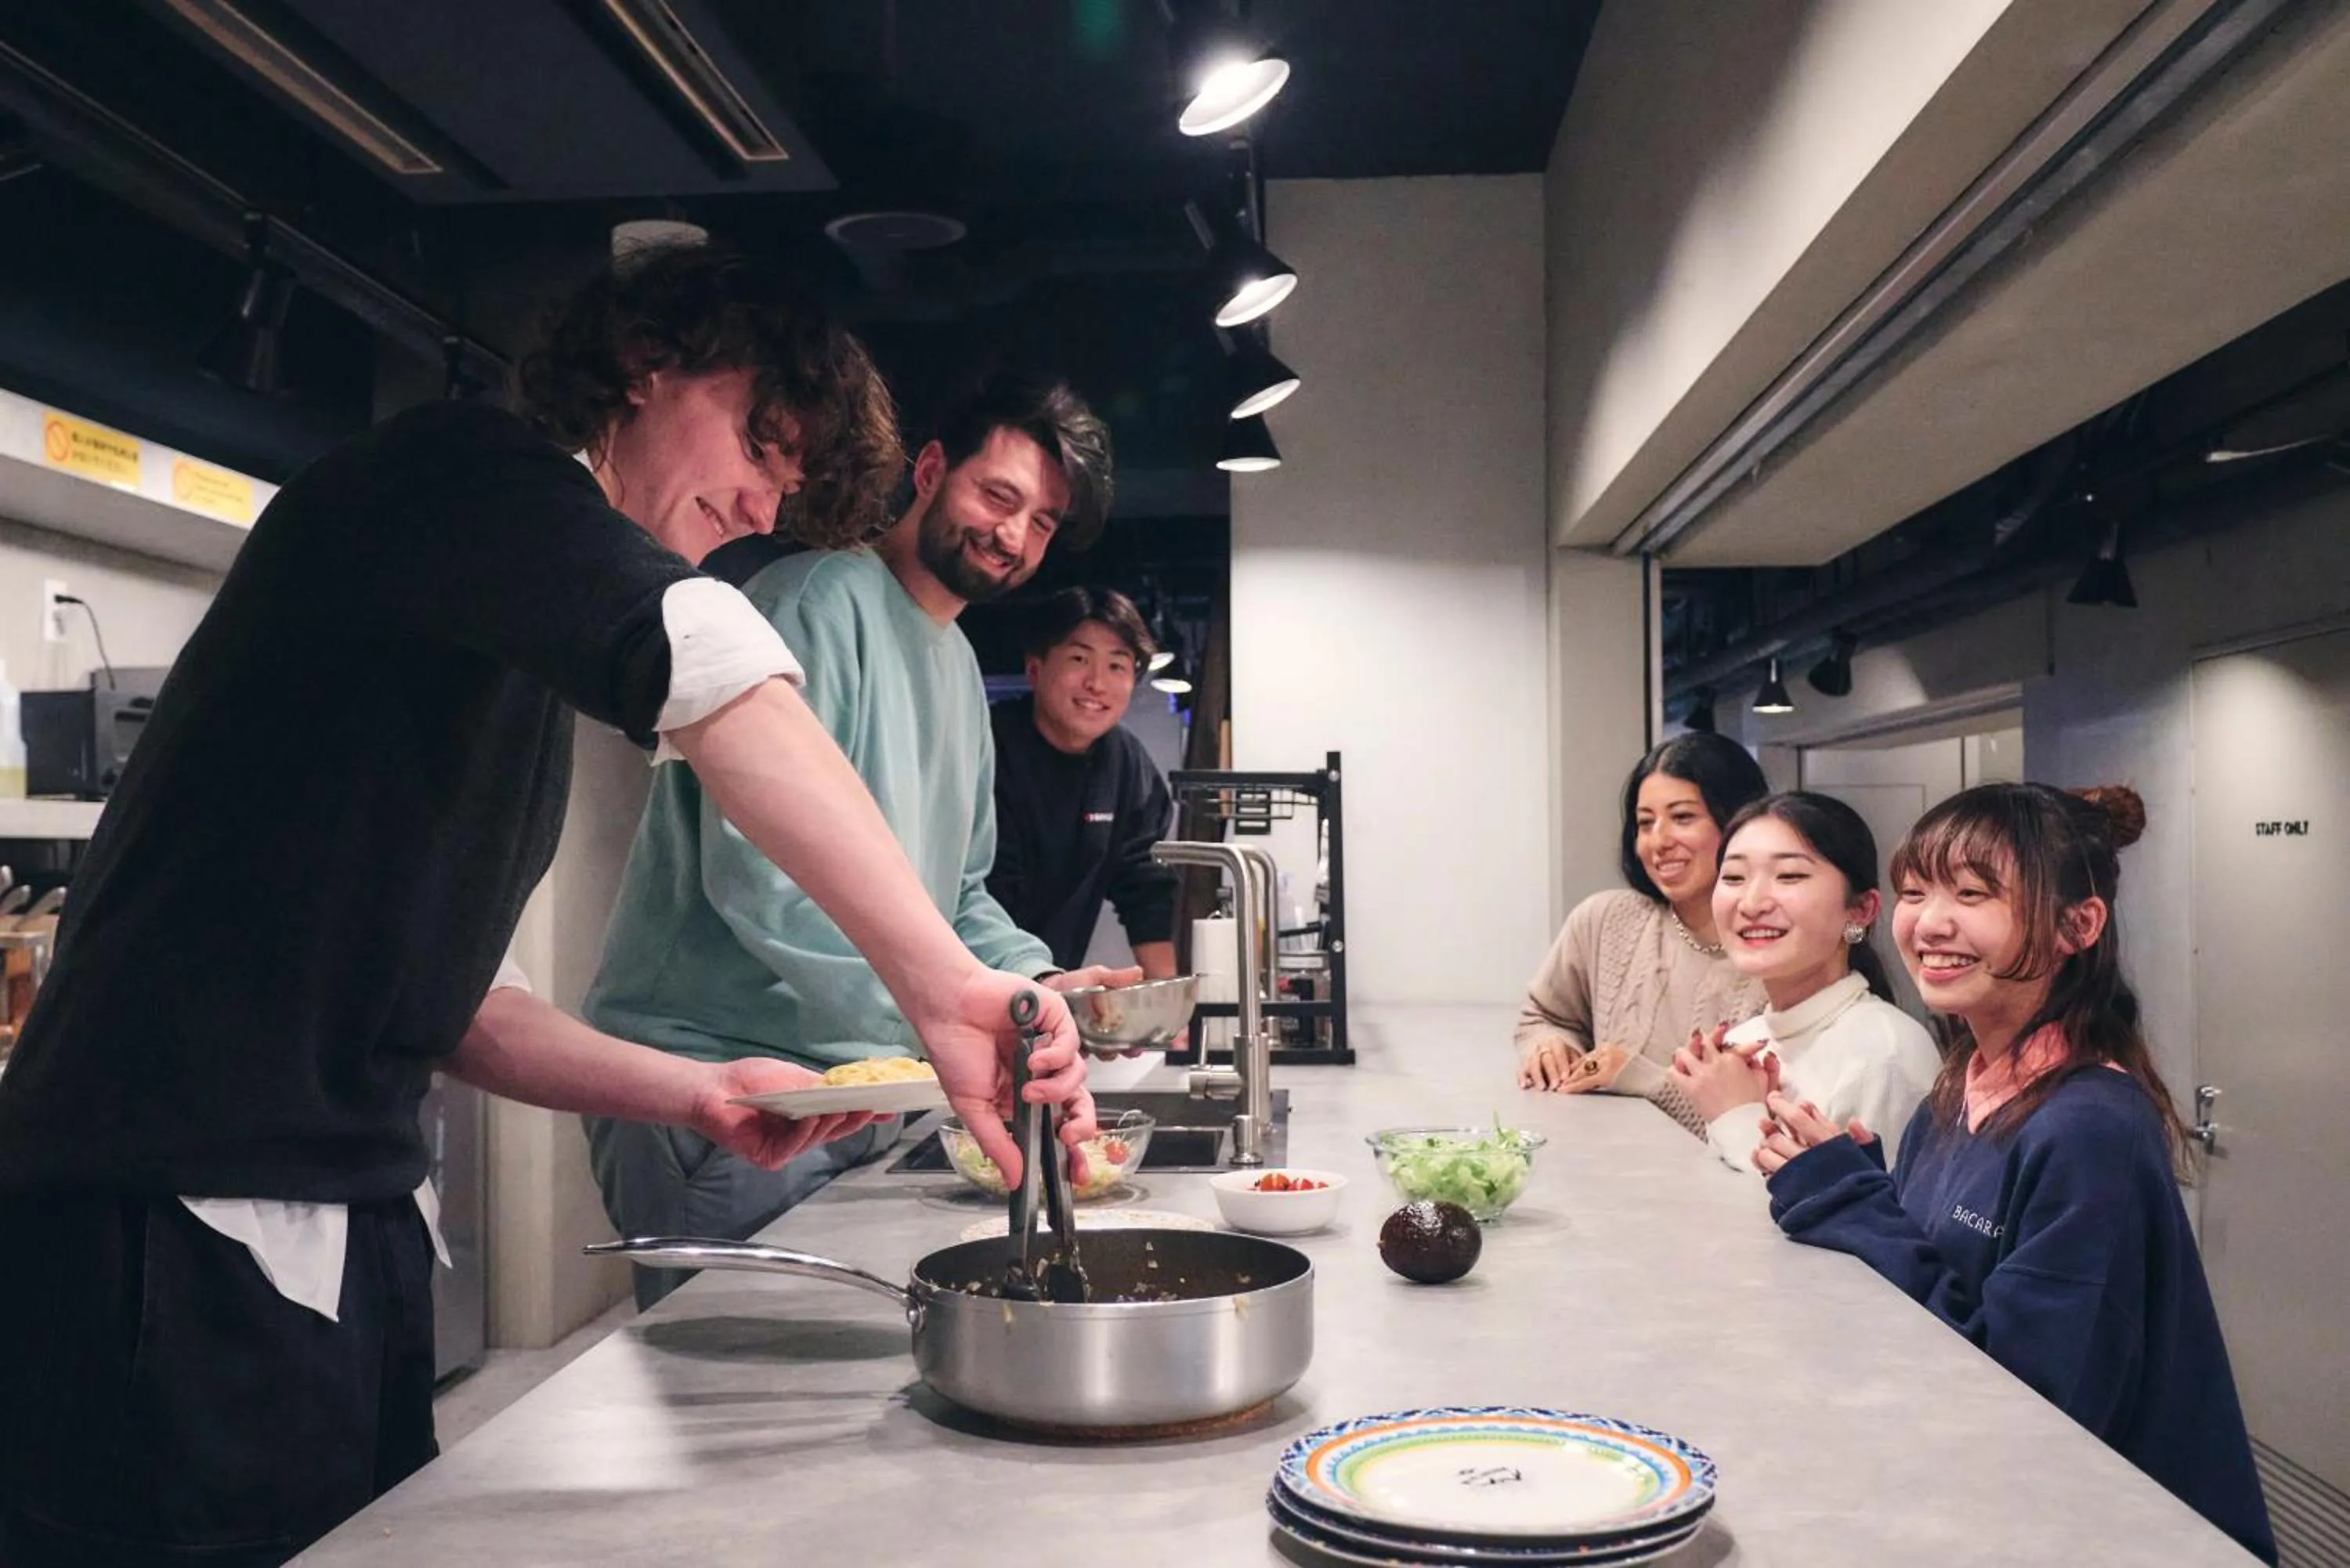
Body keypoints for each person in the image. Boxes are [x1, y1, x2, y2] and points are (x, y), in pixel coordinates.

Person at [0, 246, 1096, 1566]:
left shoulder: (496, 646)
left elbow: (461, 999)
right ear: (647, 366)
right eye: (759, 436)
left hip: (334, 1215)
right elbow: (709, 657)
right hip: (164, 1211)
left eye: (788, 480)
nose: (761, 493)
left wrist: (695, 1090)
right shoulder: (453, 467)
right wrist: (940, 985)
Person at [583, 372, 1129, 1304]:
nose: (1012, 535)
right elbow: (761, 878)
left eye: (1040, 522)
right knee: (728, 1405)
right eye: (998, 495)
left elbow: (957, 892)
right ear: (928, 470)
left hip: (857, 1082)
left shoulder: (957, 663)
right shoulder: (818, 601)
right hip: (733, 1082)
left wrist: (1035, 985)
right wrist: (940, 1017)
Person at [1755, 784, 2275, 1563]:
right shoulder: (1957, 1092)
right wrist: (1858, 1181)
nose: (1929, 922)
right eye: (1915, 890)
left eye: (1973, 893)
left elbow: (2032, 1399)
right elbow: (1946, 1286)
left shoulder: (2090, 1127)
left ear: (2077, 926)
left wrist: (1851, 1201)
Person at [1513, 732, 1769, 1136]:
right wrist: (1550, 1045)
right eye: (1645, 823)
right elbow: (1543, 1016)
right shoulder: (1606, 919)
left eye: (1683, 817)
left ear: (1738, 821)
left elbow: (1757, 1129)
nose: (1659, 841)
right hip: (1607, 1170)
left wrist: (1639, 1077)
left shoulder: (1774, 951)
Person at [1671, 792, 1938, 1172]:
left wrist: (1738, 1118)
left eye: (1789, 876)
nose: (1751, 903)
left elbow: (1865, 1225)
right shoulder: (1747, 1043)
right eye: (1733, 877)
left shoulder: (1884, 1056)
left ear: (1861, 909)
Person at [987, 586, 1180, 979]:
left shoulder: (1125, 762)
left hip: (1046, 987)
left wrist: (1166, 1010)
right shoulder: (987, 747)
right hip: (968, 979)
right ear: (1035, 669)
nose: (1097, 683)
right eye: (1079, 659)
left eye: (1117, 666)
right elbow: (981, 896)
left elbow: (1146, 887)